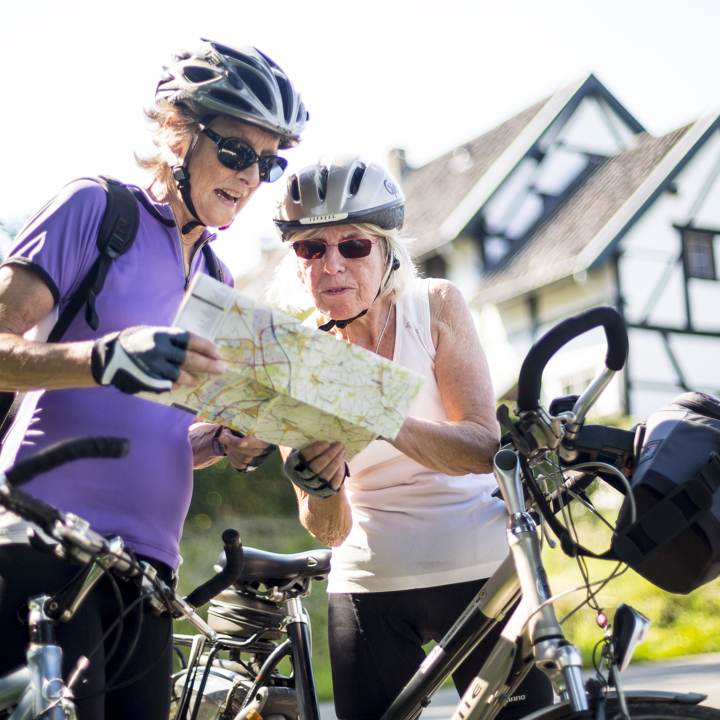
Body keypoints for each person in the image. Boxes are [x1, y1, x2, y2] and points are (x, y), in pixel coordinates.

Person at [0, 39, 306, 719]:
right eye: (235, 151)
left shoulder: (220, 284)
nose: (251, 175)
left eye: (268, 160)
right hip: (46, 538)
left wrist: (219, 439)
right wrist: (105, 356)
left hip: (148, 572)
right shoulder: (97, 209)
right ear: (176, 131)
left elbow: (153, 429)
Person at [267, 155, 554, 720]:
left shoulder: (435, 305)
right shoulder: (292, 355)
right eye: (310, 248)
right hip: (368, 582)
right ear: (295, 262)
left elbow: (480, 448)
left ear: (387, 251)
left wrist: (376, 408)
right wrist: (320, 487)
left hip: (482, 574)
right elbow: (327, 529)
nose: (333, 265)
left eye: (354, 246)